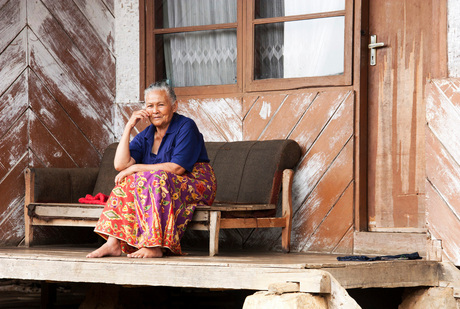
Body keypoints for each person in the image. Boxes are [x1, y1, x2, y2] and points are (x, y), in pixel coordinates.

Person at [87, 81, 216, 258]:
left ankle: (155, 245)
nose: (155, 110)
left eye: (161, 105)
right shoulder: (147, 134)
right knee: (128, 180)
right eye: (150, 106)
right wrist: (128, 126)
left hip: (195, 183)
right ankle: (113, 243)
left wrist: (136, 168)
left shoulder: (186, 127)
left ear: (174, 106)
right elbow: (120, 165)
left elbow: (177, 168)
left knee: (155, 179)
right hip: (163, 183)